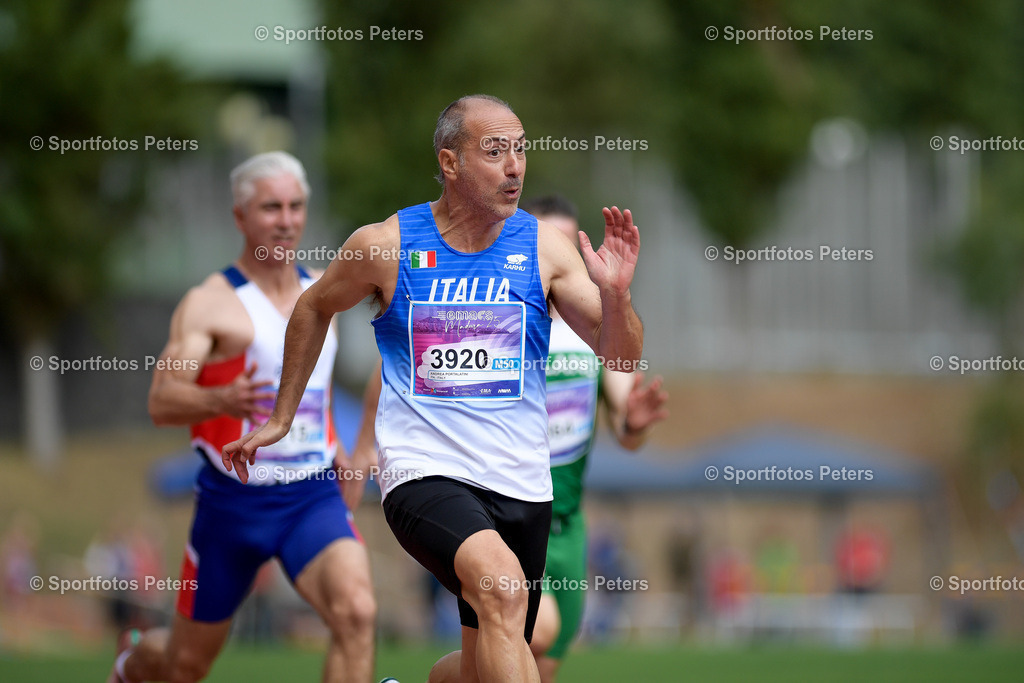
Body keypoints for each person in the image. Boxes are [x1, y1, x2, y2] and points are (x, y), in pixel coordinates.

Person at [224, 95, 644, 683]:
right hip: (424, 471)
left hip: (522, 480)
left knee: (483, 663)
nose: (515, 166)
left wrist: (618, 296)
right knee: (501, 591)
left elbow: (621, 355)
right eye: (494, 151)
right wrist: (281, 416)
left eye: (520, 150)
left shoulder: (542, 248)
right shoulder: (386, 245)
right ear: (450, 163)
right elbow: (313, 308)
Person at [109, 152, 377, 683]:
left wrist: (350, 452)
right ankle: (132, 662)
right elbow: (162, 399)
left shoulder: (325, 292)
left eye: (296, 206)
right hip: (233, 504)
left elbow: (317, 396)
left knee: (357, 612)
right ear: (240, 216)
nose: (286, 220)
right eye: (270, 207)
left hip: (310, 496)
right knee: (184, 665)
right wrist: (220, 400)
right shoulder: (210, 304)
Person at [426, 195, 669, 683]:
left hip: (567, 527)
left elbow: (625, 427)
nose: (556, 250)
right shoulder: (496, 318)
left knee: (532, 663)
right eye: (546, 239)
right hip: (502, 510)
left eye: (568, 241)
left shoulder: (596, 333)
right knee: (532, 634)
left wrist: (635, 422)